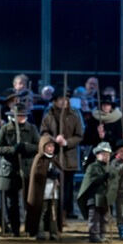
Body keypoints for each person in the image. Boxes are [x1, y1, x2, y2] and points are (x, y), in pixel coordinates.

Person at [0, 103, 40, 237]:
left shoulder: (31, 128)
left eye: (23, 115)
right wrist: (13, 149)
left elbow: (38, 147)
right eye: (19, 115)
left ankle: (30, 228)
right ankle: (15, 229)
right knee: (12, 203)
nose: (22, 117)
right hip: (10, 170)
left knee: (29, 201)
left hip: (27, 169)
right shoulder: (5, 129)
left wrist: (25, 147)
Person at [39, 89, 83, 219]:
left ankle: (68, 210)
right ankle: (55, 210)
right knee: (54, 183)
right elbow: (43, 132)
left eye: (66, 99)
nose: (64, 102)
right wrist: (53, 140)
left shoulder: (74, 115)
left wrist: (66, 142)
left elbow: (79, 135)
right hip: (54, 155)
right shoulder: (48, 115)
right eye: (61, 99)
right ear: (55, 101)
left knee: (68, 185)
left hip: (69, 155)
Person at [77, 142, 117, 243]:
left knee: (104, 218)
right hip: (94, 197)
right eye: (103, 154)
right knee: (94, 217)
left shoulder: (110, 168)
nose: (105, 157)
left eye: (107, 155)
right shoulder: (93, 167)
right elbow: (91, 181)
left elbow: (114, 181)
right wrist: (103, 177)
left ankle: (102, 234)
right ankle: (94, 235)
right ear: (97, 154)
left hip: (104, 197)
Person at [25, 138, 63, 240]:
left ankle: (53, 232)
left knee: (53, 212)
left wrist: (57, 175)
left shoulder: (54, 159)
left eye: (53, 146)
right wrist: (47, 174)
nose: (51, 148)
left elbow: (60, 172)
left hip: (53, 192)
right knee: (41, 211)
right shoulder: (39, 158)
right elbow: (37, 174)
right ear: (43, 147)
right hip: (42, 192)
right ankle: (40, 231)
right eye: (48, 146)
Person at [83, 95, 123, 162]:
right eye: (104, 104)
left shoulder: (118, 119)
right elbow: (86, 139)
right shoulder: (94, 119)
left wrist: (106, 135)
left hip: (113, 152)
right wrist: (97, 134)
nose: (106, 107)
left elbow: (119, 137)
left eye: (108, 105)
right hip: (96, 152)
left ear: (111, 106)